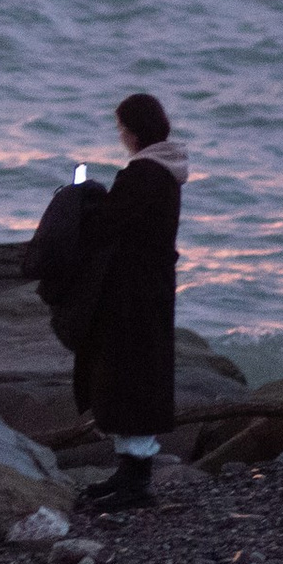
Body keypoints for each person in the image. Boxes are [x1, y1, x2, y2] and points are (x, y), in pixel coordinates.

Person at [69, 92, 190, 513]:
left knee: (128, 377)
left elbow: (107, 226)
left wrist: (80, 202)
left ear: (133, 131)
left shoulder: (143, 175)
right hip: (151, 288)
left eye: (121, 126)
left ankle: (135, 481)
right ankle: (129, 473)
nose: (119, 134)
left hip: (133, 292)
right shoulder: (165, 171)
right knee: (141, 376)